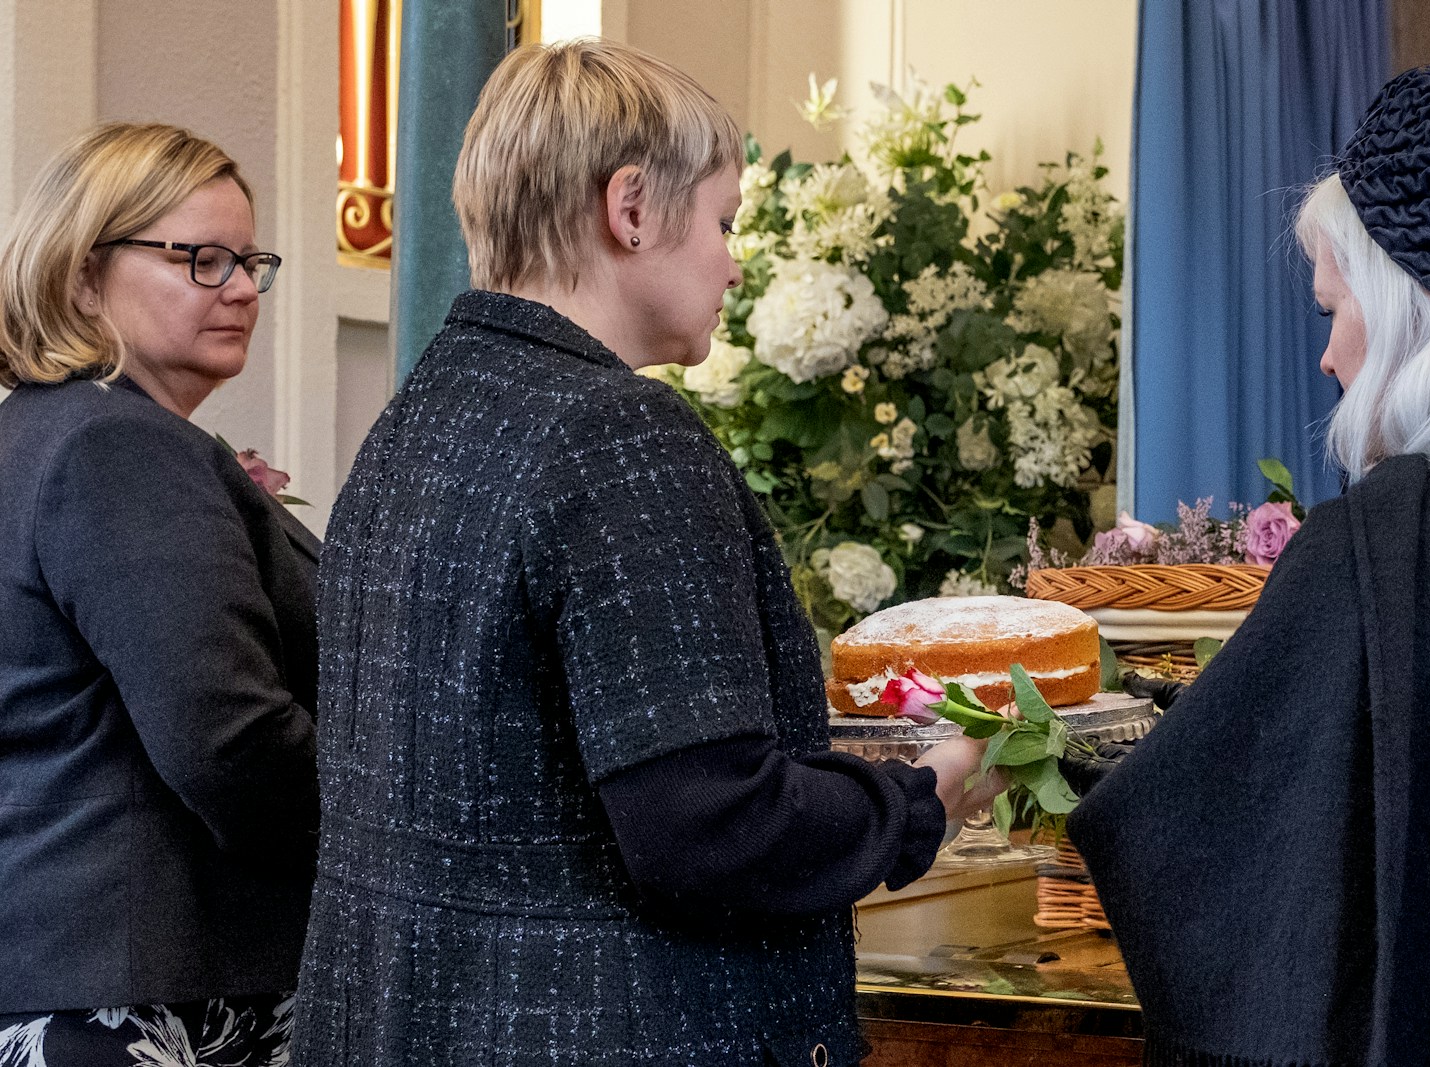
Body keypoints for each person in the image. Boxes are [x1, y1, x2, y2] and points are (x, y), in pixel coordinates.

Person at [290, 39, 997, 1067]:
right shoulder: (620, 434)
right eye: (723, 221)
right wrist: (914, 795)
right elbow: (706, 824)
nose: (733, 259)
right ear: (629, 208)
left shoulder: (419, 420)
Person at [1067, 65, 1430, 1065]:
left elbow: (1221, 835)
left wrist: (1080, 748)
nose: (1328, 357)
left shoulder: (1390, 542)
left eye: (1332, 312)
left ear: (1406, 309)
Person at [0, 124, 320, 1063]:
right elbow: (225, 734)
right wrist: (390, 836)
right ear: (80, 274)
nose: (244, 289)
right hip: (153, 994)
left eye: (251, 261)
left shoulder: (40, 434)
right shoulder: (117, 444)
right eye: (202, 260)